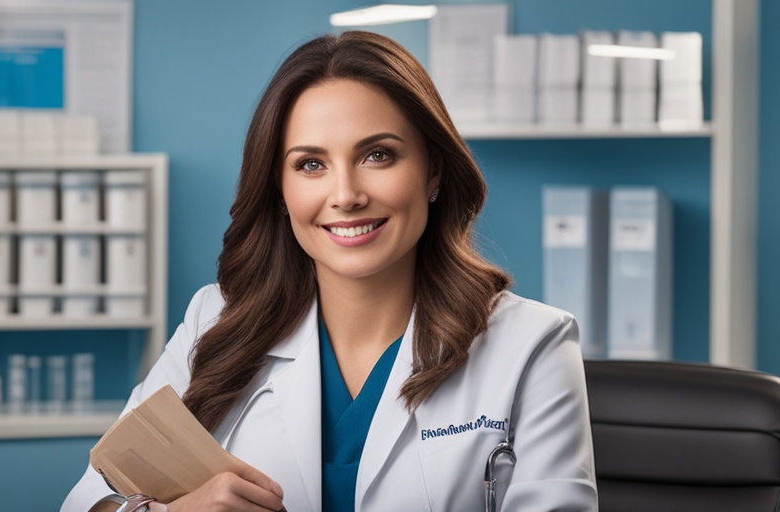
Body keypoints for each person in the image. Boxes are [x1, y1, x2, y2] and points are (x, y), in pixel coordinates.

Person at [62, 30, 597, 512]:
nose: (345, 195)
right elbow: (90, 497)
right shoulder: (216, 321)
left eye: (378, 155)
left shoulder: (532, 345)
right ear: (280, 187)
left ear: (433, 169)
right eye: (310, 164)